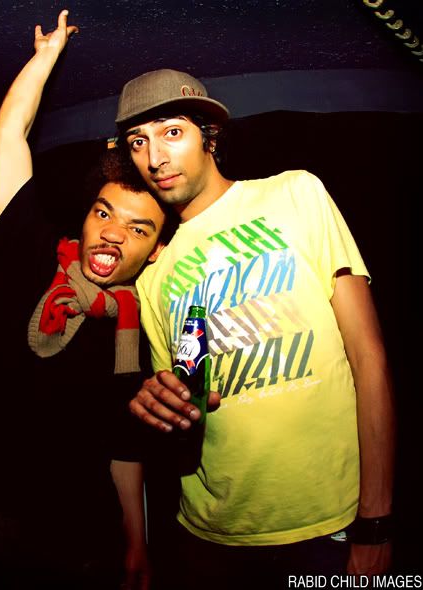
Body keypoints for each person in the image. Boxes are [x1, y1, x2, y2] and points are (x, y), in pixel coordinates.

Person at [114, 69, 396, 588]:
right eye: (138, 141)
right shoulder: (153, 276)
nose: (155, 158)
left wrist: (376, 522)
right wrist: (157, 404)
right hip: (208, 536)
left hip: (328, 525)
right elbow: (183, 410)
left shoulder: (296, 193)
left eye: (172, 132)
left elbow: (370, 359)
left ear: (209, 136)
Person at [0, 11, 171, 589]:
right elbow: (9, 137)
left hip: (85, 538)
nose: (112, 234)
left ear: (155, 252)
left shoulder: (139, 327)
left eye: (138, 228)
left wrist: (136, 543)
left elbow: (123, 445)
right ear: (85, 218)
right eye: (104, 214)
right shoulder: (31, 255)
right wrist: (46, 58)